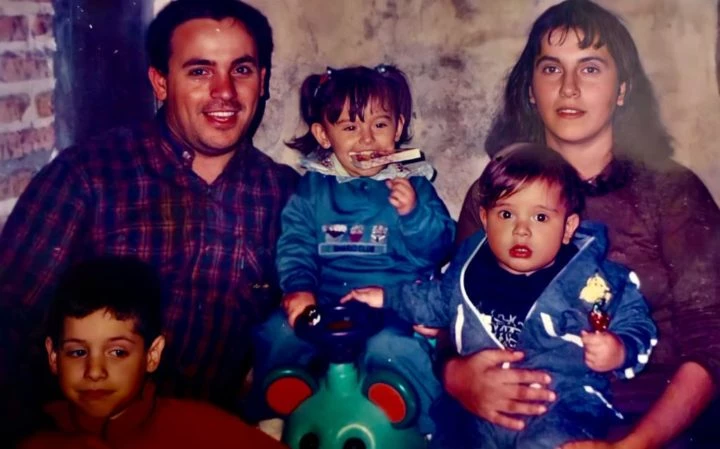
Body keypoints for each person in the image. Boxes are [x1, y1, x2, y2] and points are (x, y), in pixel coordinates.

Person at [0, 0, 298, 443]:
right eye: (200, 71)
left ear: (263, 80)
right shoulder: (87, 177)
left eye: (241, 70)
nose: (225, 91)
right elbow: (9, 325)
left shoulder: (286, 197)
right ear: (160, 82)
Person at [445, 1, 720, 448]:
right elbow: (449, 307)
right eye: (552, 69)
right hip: (513, 426)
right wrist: (457, 376)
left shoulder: (671, 192)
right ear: (530, 89)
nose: (569, 88)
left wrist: (631, 445)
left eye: (590, 69)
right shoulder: (492, 192)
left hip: (649, 421)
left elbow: (712, 341)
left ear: (622, 90)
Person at [343, 143, 657, 448]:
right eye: (506, 214)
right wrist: (387, 297)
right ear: (485, 219)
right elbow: (433, 299)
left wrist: (620, 349)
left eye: (540, 217)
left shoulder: (592, 277)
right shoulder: (469, 270)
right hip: (478, 406)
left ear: (567, 227)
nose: (521, 230)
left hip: (559, 404)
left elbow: (635, 320)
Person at [250, 65, 455, 435]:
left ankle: (423, 423)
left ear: (398, 127)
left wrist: (413, 214)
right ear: (323, 135)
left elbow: (438, 249)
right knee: (277, 332)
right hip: (326, 302)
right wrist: (299, 288)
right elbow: (295, 243)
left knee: (395, 348)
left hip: (393, 304)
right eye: (350, 128)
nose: (366, 139)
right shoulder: (313, 189)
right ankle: (277, 409)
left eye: (380, 124)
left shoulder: (414, 185)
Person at [19, 256, 286, 449]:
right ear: (53, 356)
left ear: (152, 355)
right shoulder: (35, 440)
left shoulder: (205, 430)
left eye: (117, 352)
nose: (95, 372)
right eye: (77, 352)